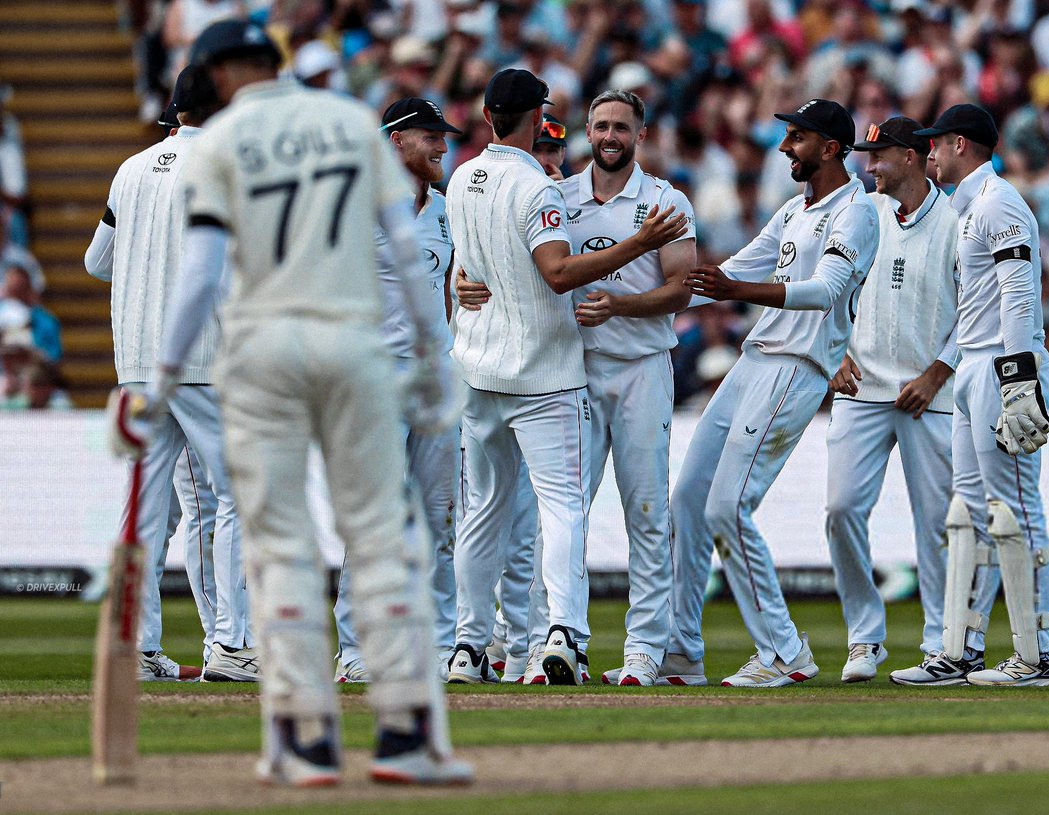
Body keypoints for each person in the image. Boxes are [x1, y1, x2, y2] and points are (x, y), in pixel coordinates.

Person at [111, 19, 473, 785]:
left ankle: (304, 740)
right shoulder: (347, 123)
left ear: (212, 76)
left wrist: (161, 381)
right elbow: (408, 256)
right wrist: (439, 362)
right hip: (354, 348)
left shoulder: (215, 149)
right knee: (381, 539)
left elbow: (202, 274)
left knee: (277, 544)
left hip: (263, 353)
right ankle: (408, 733)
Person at [444, 68, 687, 686]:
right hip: (557, 371)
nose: (608, 135)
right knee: (559, 510)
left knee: (642, 512)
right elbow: (550, 272)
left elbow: (682, 289)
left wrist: (462, 281)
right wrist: (635, 246)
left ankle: (636, 651)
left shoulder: (463, 177)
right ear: (553, 121)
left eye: (620, 127)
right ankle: (557, 639)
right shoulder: (550, 191)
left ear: (639, 134)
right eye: (600, 125)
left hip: (627, 368)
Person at [681, 99, 880, 687]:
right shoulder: (796, 210)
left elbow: (826, 290)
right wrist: (633, 303)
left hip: (797, 367)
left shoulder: (856, 212)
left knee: (727, 507)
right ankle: (679, 648)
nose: (784, 147)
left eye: (796, 137)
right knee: (690, 497)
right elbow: (726, 272)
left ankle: (785, 652)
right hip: (753, 361)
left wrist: (734, 288)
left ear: (831, 147)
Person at [84, 64, 254, 683]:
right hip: (208, 359)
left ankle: (136, 648)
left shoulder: (130, 170)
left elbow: (95, 261)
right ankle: (233, 645)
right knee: (237, 498)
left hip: (136, 362)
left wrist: (144, 264)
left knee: (146, 512)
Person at [913, 104, 1049, 686]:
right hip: (975, 365)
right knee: (974, 513)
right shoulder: (966, 206)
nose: (929, 154)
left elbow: (1019, 291)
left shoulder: (999, 202)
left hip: (1003, 364)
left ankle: (1039, 653)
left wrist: (1018, 375)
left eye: (935, 144)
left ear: (959, 145)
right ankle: (963, 648)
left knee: (1017, 510)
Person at [822, 117, 959, 684]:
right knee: (841, 510)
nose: (868, 165)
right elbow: (824, 285)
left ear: (913, 157)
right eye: (867, 155)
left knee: (937, 524)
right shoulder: (864, 215)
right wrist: (831, 355)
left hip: (932, 396)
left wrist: (936, 373)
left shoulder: (954, 223)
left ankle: (942, 643)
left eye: (879, 156)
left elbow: (978, 309)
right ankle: (864, 638)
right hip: (861, 388)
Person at [332, 96, 464, 684]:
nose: (442, 146)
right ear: (395, 141)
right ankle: (358, 648)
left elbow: (445, 290)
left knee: (439, 517)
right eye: (430, 136)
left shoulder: (444, 209)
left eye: (443, 136)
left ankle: (437, 644)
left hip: (433, 380)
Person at [532, 112, 568, 178]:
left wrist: (561, 187)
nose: (543, 162)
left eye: (551, 151)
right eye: (536, 150)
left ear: (562, 155)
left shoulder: (576, 187)